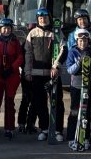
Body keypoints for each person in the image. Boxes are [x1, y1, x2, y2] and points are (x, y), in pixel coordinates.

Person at [22, 8, 65, 141]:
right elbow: (28, 54)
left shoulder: (56, 32)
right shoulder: (32, 33)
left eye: (45, 17)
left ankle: (58, 130)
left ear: (49, 17)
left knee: (57, 103)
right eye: (40, 17)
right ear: (37, 19)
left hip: (52, 73)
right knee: (40, 103)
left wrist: (56, 66)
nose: (43, 19)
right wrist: (27, 71)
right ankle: (45, 129)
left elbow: (63, 49)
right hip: (36, 74)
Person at [66, 28, 91, 150]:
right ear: (76, 40)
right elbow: (70, 70)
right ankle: (71, 137)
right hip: (76, 86)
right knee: (75, 112)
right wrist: (80, 62)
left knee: (86, 113)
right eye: (80, 40)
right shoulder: (72, 52)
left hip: (88, 86)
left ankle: (84, 137)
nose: (82, 43)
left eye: (85, 40)